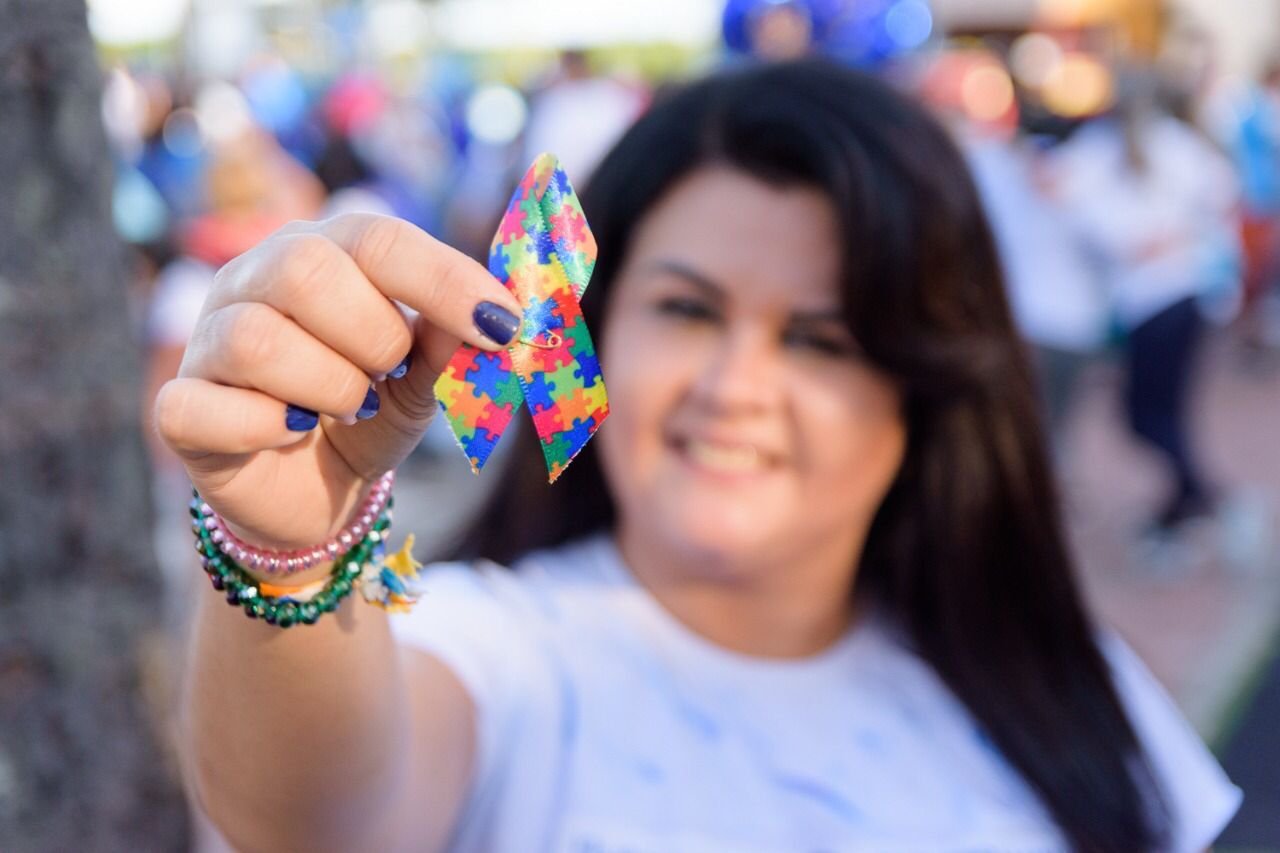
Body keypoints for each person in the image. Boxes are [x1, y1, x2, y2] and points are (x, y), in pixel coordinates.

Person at [158, 60, 1240, 852]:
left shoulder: (1061, 678)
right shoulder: (496, 651)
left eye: (821, 338)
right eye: (686, 309)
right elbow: (311, 816)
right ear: (591, 329)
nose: (733, 385)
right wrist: (287, 551)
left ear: (926, 382)